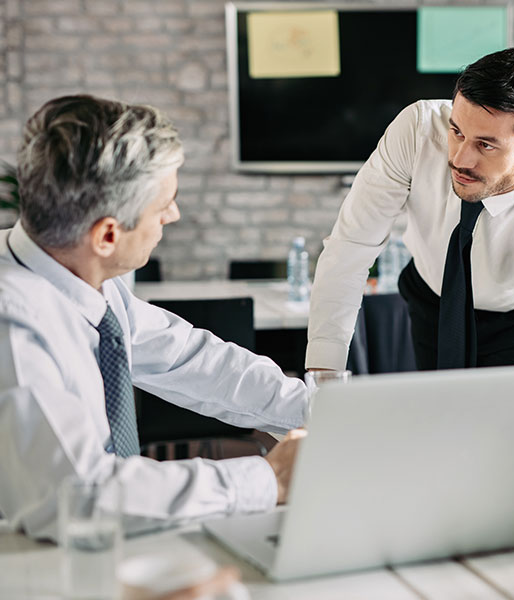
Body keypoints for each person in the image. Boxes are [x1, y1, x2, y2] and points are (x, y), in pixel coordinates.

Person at [0, 95, 307, 540]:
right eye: (164, 204)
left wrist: (325, 412)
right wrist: (269, 480)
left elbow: (191, 359)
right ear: (107, 234)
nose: (174, 214)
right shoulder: (14, 324)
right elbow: (81, 496)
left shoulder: (87, 282)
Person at [306, 48, 514, 373]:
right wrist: (324, 375)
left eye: (486, 145)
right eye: (457, 132)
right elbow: (350, 249)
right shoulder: (417, 132)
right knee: (436, 416)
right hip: (429, 299)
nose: (460, 160)